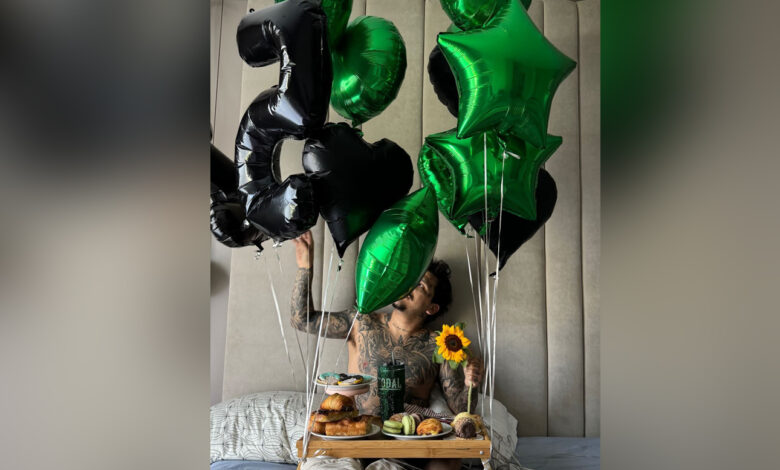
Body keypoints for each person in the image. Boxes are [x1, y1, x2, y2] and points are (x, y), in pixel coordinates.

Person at [291, 231, 483, 470]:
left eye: (420, 284)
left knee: (448, 463)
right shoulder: (360, 322)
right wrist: (305, 266)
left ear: (431, 308)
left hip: (404, 448)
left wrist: (472, 383)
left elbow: (460, 410)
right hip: (353, 440)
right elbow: (302, 320)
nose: (409, 285)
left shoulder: (439, 344)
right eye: (410, 278)